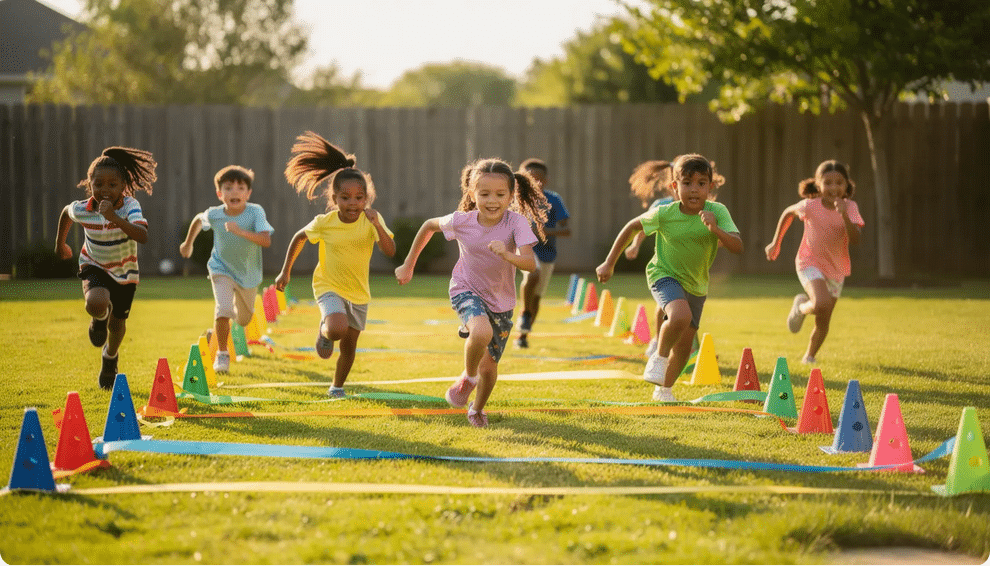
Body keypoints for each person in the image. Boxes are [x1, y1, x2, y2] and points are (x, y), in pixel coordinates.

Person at [395, 158, 547, 427]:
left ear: (511, 195)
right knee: (481, 332)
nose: (492, 200)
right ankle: (467, 378)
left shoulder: (517, 223)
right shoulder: (461, 221)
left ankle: (477, 409)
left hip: (501, 302)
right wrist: (408, 265)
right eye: (484, 193)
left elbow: (530, 264)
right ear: (472, 194)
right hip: (466, 288)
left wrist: (506, 253)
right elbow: (429, 226)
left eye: (500, 194)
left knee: (489, 368)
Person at [596, 154, 742, 402]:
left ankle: (663, 390)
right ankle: (659, 357)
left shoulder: (718, 211)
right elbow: (632, 227)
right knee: (680, 315)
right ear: (675, 187)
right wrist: (609, 262)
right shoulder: (665, 213)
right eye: (687, 183)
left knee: (685, 349)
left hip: (697, 284)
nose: (694, 189)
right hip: (663, 275)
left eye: (701, 183)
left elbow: (737, 246)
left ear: (711, 187)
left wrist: (715, 229)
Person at [274, 131, 395, 398]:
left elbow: (389, 250)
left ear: (367, 198)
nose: (353, 203)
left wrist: (377, 225)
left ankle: (337, 386)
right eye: (345, 198)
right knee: (338, 328)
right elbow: (299, 238)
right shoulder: (325, 223)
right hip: (328, 285)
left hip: (359, 293)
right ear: (334, 198)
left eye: (359, 198)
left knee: (350, 347)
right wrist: (286, 271)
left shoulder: (372, 220)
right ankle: (325, 331)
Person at [53, 146, 157, 389]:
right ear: (90, 185)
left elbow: (142, 235)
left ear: (123, 186)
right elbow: (66, 214)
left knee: (118, 324)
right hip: (94, 264)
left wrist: (115, 218)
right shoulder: (84, 208)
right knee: (96, 302)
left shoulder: (130, 207)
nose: (105, 190)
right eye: (98, 184)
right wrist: (60, 244)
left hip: (125, 273)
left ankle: (110, 357)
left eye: (112, 185)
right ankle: (99, 317)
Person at [765, 159, 864, 364]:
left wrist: (844, 214)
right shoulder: (810, 206)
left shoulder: (851, 208)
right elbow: (787, 213)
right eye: (827, 182)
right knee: (821, 303)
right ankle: (801, 307)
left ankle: (809, 356)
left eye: (839, 182)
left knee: (824, 317)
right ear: (818, 185)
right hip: (809, 263)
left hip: (836, 270)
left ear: (846, 185)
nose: (833, 187)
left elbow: (855, 240)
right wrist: (776, 242)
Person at [179, 165, 274, 373]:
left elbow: (265, 240)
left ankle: (214, 335)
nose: (235, 192)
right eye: (229, 188)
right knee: (223, 309)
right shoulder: (215, 214)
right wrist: (188, 244)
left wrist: (240, 231)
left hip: (248, 276)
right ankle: (222, 355)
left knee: (243, 319)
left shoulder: (255, 212)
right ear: (219, 194)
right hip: (220, 268)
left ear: (248, 193)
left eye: (240, 188)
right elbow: (198, 220)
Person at [515, 158, 570, 349]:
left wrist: (543, 230)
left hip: (547, 252)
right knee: (532, 274)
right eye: (528, 178)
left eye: (538, 179)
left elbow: (566, 230)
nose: (534, 182)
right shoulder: (514, 197)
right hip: (524, 247)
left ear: (545, 180)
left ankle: (523, 335)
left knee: (537, 297)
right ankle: (524, 313)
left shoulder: (553, 199)